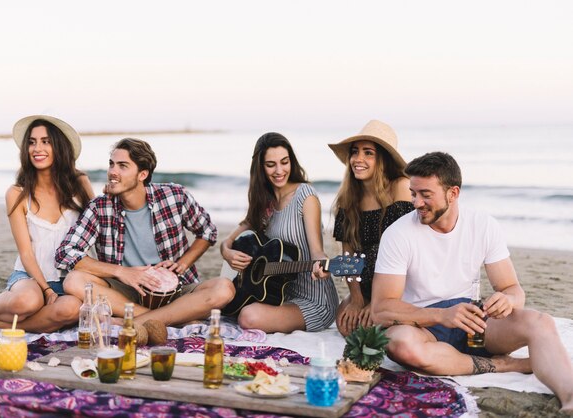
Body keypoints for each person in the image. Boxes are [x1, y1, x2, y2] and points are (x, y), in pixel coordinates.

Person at [370, 151, 573, 412]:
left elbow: (513, 289)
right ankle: (507, 365)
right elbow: (381, 309)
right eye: (413, 193)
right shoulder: (398, 234)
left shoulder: (483, 225)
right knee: (400, 345)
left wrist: (508, 300)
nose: (416, 202)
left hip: (473, 320)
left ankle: (569, 396)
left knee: (540, 322)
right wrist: (441, 315)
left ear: (453, 193)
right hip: (423, 325)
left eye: (425, 194)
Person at [55, 138, 235, 326]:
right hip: (125, 295)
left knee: (224, 289)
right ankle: (165, 318)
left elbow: (207, 232)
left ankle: (139, 319)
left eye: (123, 166)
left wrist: (182, 264)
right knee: (73, 281)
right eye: (111, 164)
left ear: (142, 174)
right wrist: (122, 272)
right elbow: (65, 253)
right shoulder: (100, 207)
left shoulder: (174, 196)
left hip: (175, 291)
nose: (112, 172)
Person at [0, 115, 94, 332]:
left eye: (46, 141)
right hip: (30, 277)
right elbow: (26, 253)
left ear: (59, 146)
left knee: (71, 310)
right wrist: (46, 290)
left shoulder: (79, 183)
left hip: (69, 279)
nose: (37, 148)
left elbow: (99, 227)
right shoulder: (17, 194)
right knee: (26, 303)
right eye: (32, 142)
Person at [220, 132, 339, 333]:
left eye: (284, 162)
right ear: (260, 167)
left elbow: (317, 251)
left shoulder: (306, 197)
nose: (279, 170)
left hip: (314, 302)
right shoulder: (264, 201)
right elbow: (232, 237)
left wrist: (324, 264)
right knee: (226, 303)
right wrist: (227, 252)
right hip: (278, 295)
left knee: (248, 316)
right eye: (271, 164)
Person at [328, 120, 412, 337]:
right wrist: (356, 299)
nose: (358, 159)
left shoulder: (400, 188)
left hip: (397, 287)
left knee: (369, 327)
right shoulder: (347, 200)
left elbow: (405, 252)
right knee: (344, 322)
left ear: (382, 159)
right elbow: (348, 256)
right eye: (355, 152)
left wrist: (377, 303)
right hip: (363, 285)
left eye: (368, 153)